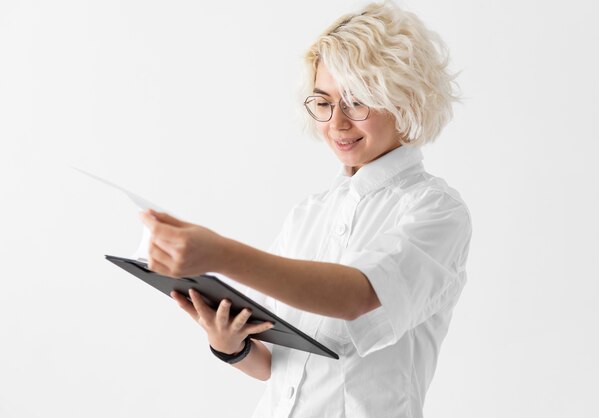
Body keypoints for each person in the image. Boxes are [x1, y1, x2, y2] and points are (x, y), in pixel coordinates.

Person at [139, 2, 472, 417]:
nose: (337, 123)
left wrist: (220, 253)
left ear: (404, 100)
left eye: (357, 101)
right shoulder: (308, 214)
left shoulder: (435, 210)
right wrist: (232, 345)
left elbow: (356, 295)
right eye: (323, 102)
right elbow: (277, 363)